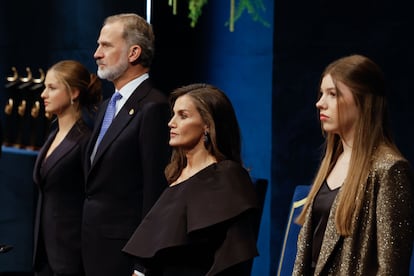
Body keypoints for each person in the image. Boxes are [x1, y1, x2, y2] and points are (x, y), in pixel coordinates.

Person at [293, 54, 414, 275]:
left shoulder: (389, 170)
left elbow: (391, 268)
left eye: (332, 94)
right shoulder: (332, 160)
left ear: (362, 101)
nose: (320, 103)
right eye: (322, 94)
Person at [122, 83, 260, 276]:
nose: (171, 122)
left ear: (207, 125)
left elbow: (231, 257)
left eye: (183, 116)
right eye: (173, 114)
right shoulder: (175, 176)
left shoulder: (227, 177)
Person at [82, 13, 171, 276]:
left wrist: (144, 264)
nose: (97, 54)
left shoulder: (153, 106)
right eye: (98, 45)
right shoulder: (108, 105)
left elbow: (154, 192)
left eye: (106, 45)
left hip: (125, 256)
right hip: (94, 250)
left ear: (134, 52)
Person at [33, 60, 102, 276]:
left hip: (70, 254)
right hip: (44, 251)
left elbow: (91, 198)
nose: (43, 94)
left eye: (52, 88)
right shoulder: (53, 135)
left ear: (73, 92)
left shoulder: (85, 140)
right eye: (45, 87)